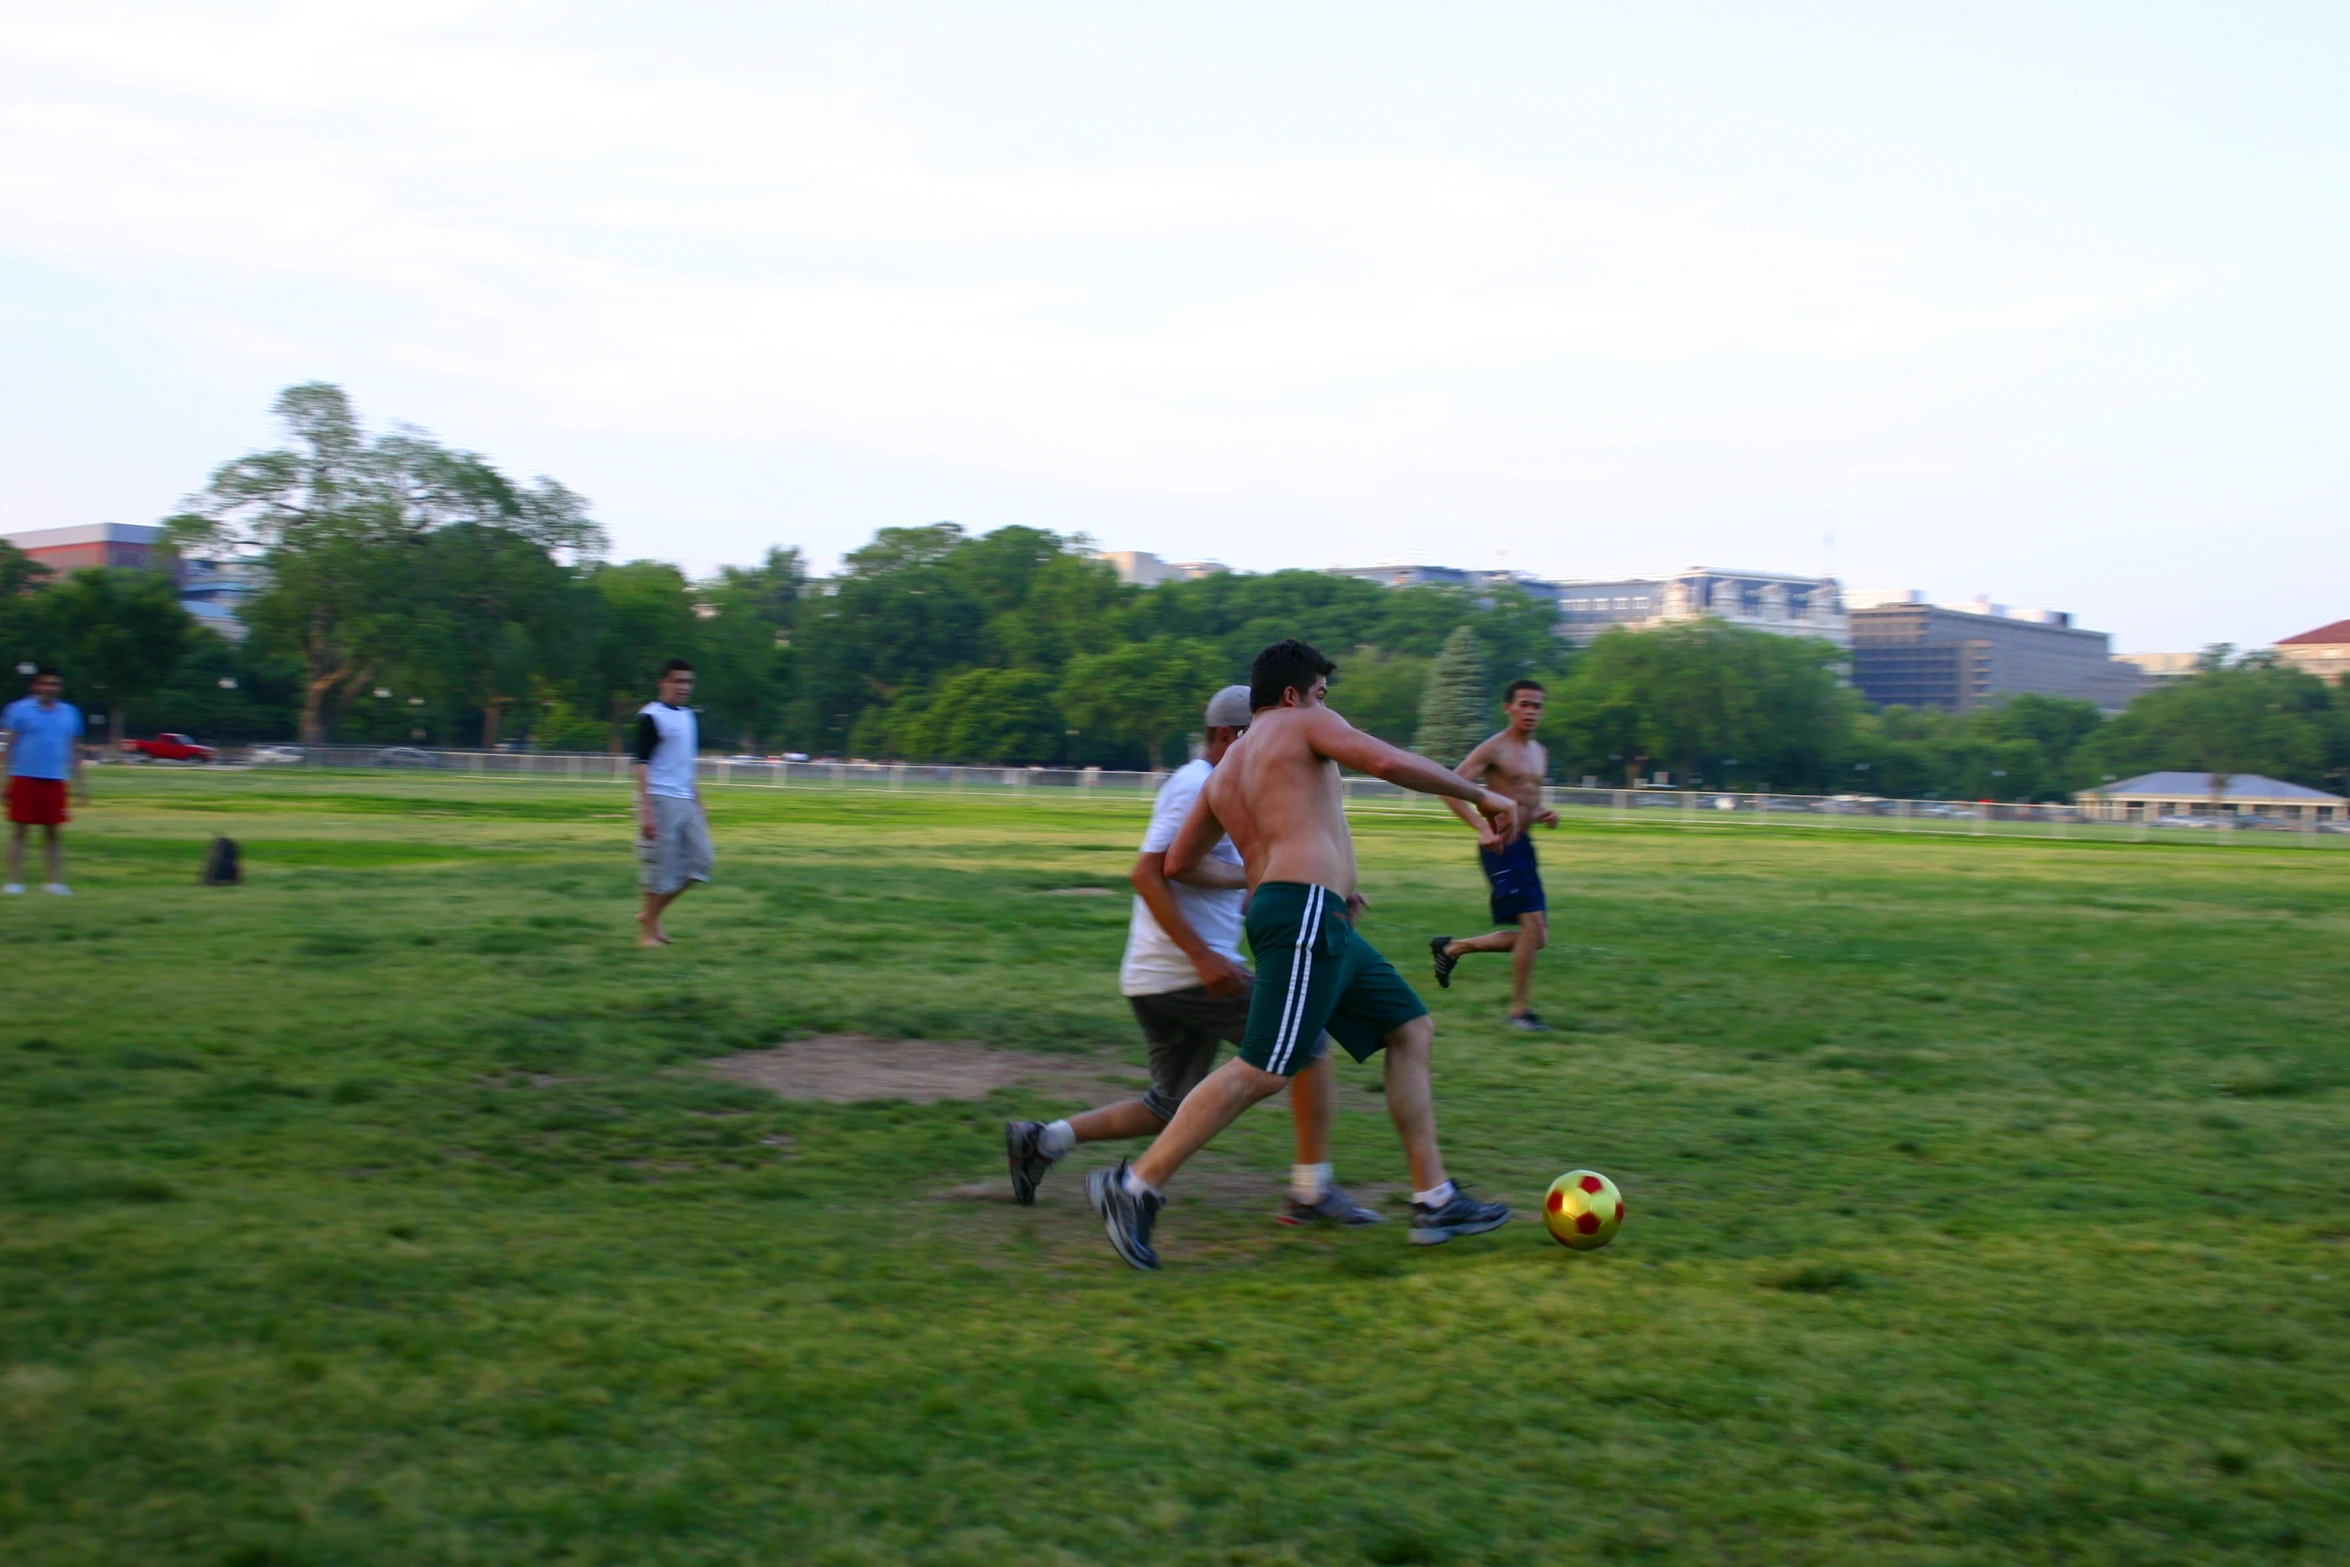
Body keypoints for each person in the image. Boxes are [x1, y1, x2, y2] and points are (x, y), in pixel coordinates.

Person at [1086, 639, 1522, 1269]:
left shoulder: (1228, 768)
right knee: (1264, 1068)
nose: (1327, 705)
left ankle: (1435, 1198)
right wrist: (1482, 796)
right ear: (1293, 695)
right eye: (1322, 693)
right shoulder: (1304, 722)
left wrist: (1261, 877)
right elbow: (1387, 761)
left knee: (1409, 1029)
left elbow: (1180, 863)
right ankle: (1134, 1188)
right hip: (1305, 916)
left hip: (1317, 917)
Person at [1005, 686, 1379, 1226]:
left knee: (1169, 1106)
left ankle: (1042, 1140)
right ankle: (1311, 1191)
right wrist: (1203, 957)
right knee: (1309, 1045)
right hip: (1185, 973)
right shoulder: (1194, 785)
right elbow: (1146, 874)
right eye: (1260, 733)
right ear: (1229, 735)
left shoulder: (1227, 788)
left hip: (1164, 976)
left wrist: (1326, 895)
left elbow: (1250, 883)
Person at [1428, 679, 1560, 1029]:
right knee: (1532, 928)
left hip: (1524, 848)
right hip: (1500, 848)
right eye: (1525, 704)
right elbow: (1450, 787)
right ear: (1509, 708)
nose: (1531, 711)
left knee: (1538, 937)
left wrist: (1542, 812)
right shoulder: (1494, 749)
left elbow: (1523, 799)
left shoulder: (1539, 751)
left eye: (1537, 706)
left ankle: (1452, 949)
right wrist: (1480, 826)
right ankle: (1519, 1012)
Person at [632, 659, 712, 946]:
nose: (683, 687)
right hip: (660, 799)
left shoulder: (689, 716)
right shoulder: (651, 717)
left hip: (685, 799)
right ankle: (647, 934)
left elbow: (685, 765)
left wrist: (699, 803)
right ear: (662, 683)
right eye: (677, 681)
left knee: (702, 861)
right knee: (658, 869)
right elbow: (640, 765)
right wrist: (646, 811)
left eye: (687, 682)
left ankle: (650, 917)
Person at [3, 666, 87, 897]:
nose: (50, 688)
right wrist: (3, 781)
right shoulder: (18, 710)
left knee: (53, 833)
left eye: (55, 684)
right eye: (45, 683)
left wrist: (81, 786)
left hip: (55, 779)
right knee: (20, 831)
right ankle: (14, 882)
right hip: (24, 777)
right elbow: (8, 747)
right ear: (35, 686)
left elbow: (74, 751)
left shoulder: (70, 713)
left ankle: (54, 883)